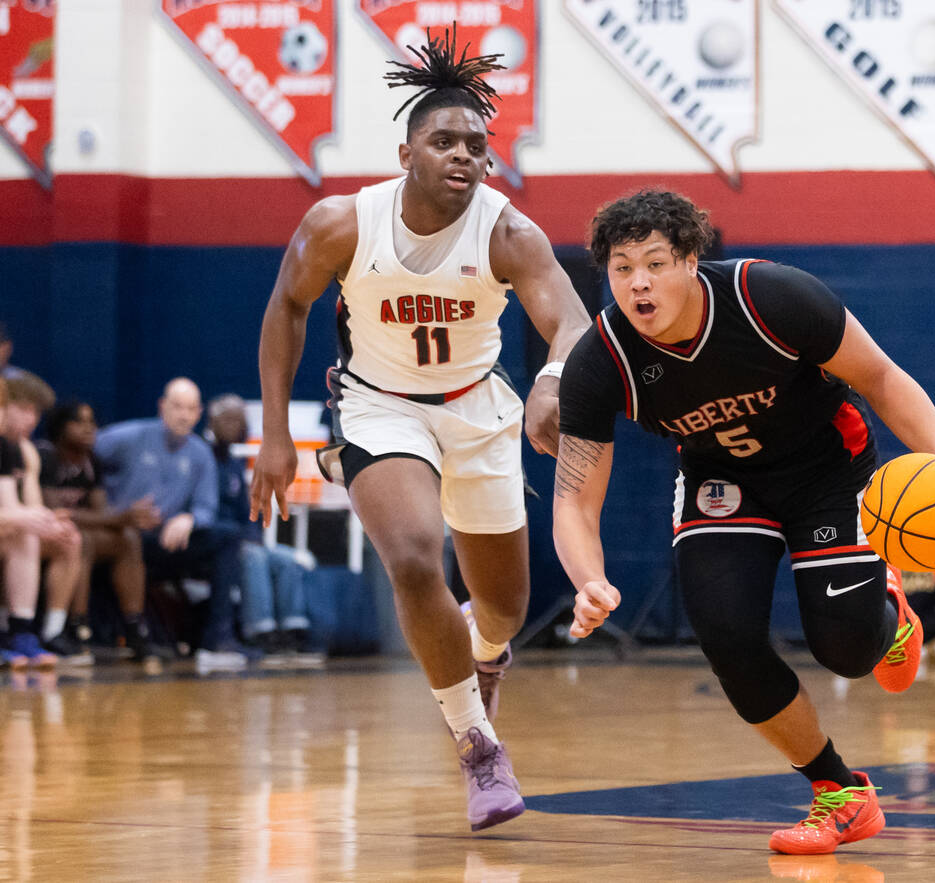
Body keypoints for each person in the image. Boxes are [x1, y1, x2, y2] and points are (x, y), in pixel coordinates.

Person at [552, 190, 935, 855]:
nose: (638, 281)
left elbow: (880, 376)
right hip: (725, 481)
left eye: (655, 262)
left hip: (827, 468)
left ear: (692, 260)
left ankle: (891, 612)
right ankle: (839, 793)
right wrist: (588, 579)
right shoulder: (600, 359)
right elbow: (574, 501)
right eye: (621, 268)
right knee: (727, 634)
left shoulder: (771, 297)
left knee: (844, 650)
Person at [250, 28, 590, 832]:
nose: (464, 155)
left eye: (477, 143)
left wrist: (548, 381)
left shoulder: (508, 232)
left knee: (504, 606)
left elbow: (573, 321)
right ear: (407, 152)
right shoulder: (343, 221)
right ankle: (478, 744)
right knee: (410, 554)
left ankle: (484, 648)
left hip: (478, 407)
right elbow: (286, 307)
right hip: (379, 405)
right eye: (445, 140)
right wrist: (273, 432)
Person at [95, 377, 250, 670]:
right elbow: (86, 451)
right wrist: (102, 504)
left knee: (228, 536)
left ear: (199, 412)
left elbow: (207, 508)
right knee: (126, 540)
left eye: (191, 408)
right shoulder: (128, 436)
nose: (183, 415)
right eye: (177, 406)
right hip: (124, 533)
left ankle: (218, 639)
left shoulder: (200, 452)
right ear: (162, 406)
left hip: (166, 540)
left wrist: (189, 518)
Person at [38, 399, 166, 661]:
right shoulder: (46, 454)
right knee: (80, 538)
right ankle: (76, 627)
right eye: (79, 421)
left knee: (128, 538)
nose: (89, 428)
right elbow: (56, 512)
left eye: (92, 422)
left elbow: (101, 512)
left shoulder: (90, 461)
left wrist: (123, 520)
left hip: (79, 532)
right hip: (45, 532)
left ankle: (133, 628)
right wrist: (121, 516)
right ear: (60, 427)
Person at [206, 394, 318, 660]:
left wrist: (252, 535)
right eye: (229, 419)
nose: (235, 426)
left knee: (287, 559)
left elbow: (247, 515)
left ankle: (292, 632)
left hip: (241, 539)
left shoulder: (234, 463)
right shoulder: (203, 457)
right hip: (217, 540)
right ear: (212, 422)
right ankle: (260, 633)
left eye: (240, 421)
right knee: (253, 557)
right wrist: (242, 539)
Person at [1, 371, 86, 663]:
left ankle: (42, 632)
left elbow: (21, 506)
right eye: (23, 409)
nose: (31, 419)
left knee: (65, 537)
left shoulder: (18, 450)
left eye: (36, 412)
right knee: (21, 529)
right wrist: (25, 519)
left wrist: (47, 520)